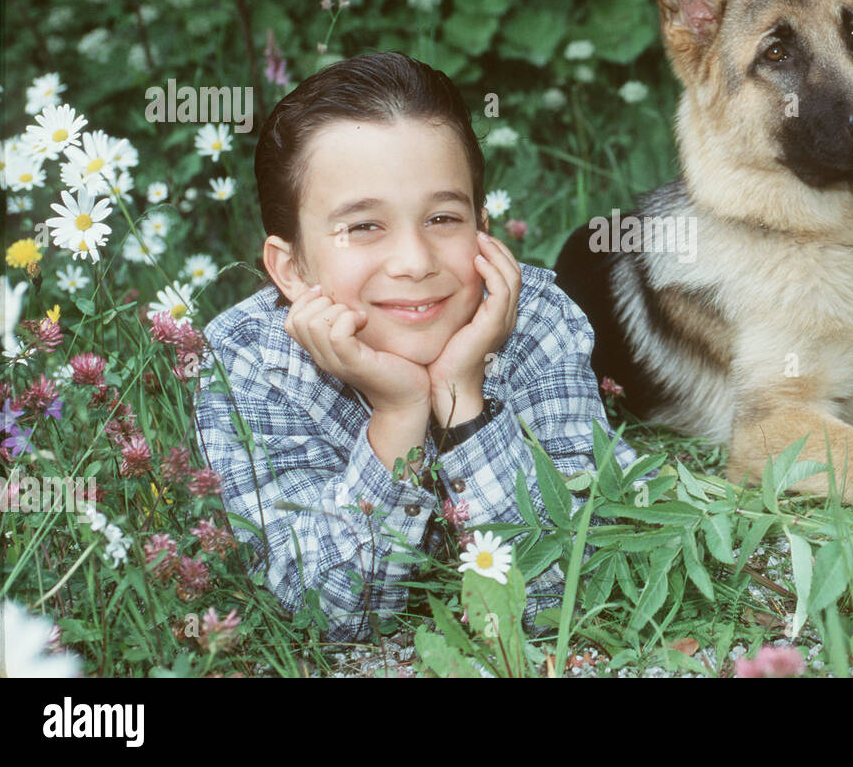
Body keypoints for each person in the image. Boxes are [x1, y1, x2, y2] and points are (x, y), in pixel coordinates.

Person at [194, 51, 644, 641]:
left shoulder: (534, 322)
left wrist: (462, 399)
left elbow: (572, 587)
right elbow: (322, 611)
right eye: (363, 226)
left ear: (482, 227)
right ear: (292, 268)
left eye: (442, 218)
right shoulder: (251, 361)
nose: (414, 262)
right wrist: (399, 414)